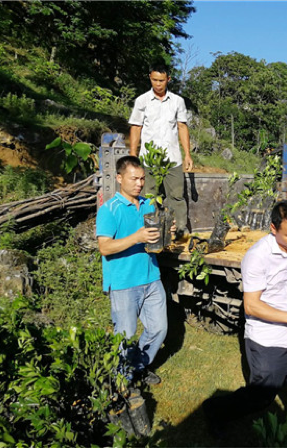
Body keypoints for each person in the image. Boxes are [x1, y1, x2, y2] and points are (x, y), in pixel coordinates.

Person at [203, 200, 287, 436]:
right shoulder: (257, 257)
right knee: (261, 397)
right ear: (273, 228)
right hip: (267, 337)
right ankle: (214, 410)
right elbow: (252, 306)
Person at [96, 155, 172, 386]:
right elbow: (105, 247)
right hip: (123, 283)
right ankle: (122, 383)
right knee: (125, 337)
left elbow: (158, 239)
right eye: (134, 178)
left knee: (159, 329)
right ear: (119, 178)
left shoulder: (149, 204)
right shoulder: (109, 210)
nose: (139, 183)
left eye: (142, 178)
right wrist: (136, 237)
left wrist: (168, 229)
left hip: (151, 277)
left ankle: (137, 366)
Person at [129, 63, 192, 240]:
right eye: (155, 80)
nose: (158, 84)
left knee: (177, 196)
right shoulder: (142, 101)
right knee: (150, 197)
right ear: (150, 78)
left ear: (168, 80)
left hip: (172, 159)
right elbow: (136, 127)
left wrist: (187, 154)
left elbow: (182, 126)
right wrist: (133, 155)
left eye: (162, 80)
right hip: (149, 160)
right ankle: (153, 233)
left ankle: (180, 231)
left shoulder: (177, 101)